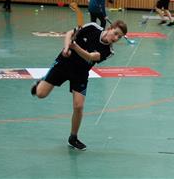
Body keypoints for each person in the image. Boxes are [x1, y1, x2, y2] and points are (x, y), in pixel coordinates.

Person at [30, 20, 128, 150]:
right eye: (115, 33)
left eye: (119, 37)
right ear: (110, 28)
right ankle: (40, 84)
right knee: (41, 94)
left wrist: (76, 47)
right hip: (63, 64)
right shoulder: (93, 27)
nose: (116, 38)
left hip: (80, 73)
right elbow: (70, 33)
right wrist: (66, 48)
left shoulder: (109, 51)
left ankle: (73, 137)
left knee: (79, 106)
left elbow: (91, 57)